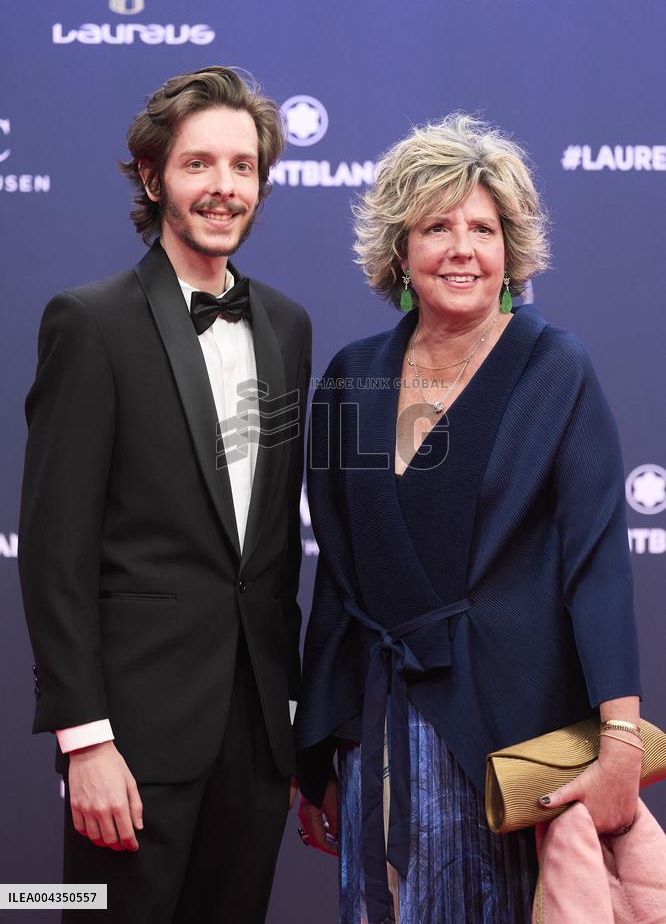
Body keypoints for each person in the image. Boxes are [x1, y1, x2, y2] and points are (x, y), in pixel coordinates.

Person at [294, 114, 642, 924]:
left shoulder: (556, 366)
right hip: (379, 735)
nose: (462, 248)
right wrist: (317, 750)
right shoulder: (352, 379)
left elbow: (595, 563)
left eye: (483, 228)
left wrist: (621, 738)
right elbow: (339, 580)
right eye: (436, 226)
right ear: (399, 253)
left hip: (511, 740)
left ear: (511, 251)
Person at [19, 66, 311, 923]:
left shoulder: (288, 327)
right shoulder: (91, 321)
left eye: (244, 167)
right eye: (199, 165)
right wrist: (86, 741)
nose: (225, 188)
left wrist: (289, 720)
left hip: (256, 739)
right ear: (153, 178)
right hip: (133, 744)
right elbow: (54, 551)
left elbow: (272, 550)